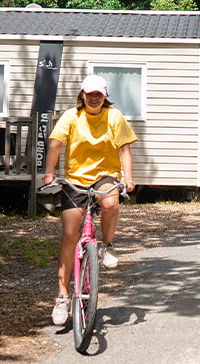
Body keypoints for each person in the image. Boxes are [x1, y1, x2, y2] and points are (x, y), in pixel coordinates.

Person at [42, 74, 137, 326]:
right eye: (90, 94)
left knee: (110, 202)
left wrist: (128, 177)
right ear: (82, 95)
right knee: (70, 236)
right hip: (75, 179)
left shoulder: (113, 117)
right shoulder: (71, 116)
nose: (94, 98)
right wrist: (50, 171)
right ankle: (63, 297)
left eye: (99, 94)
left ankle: (106, 246)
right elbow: (55, 144)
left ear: (105, 96)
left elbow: (124, 148)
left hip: (104, 176)